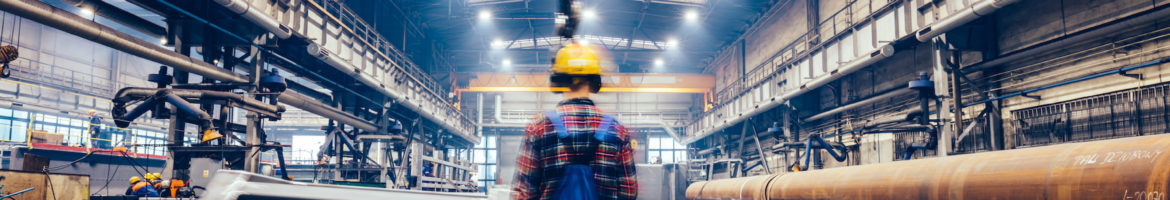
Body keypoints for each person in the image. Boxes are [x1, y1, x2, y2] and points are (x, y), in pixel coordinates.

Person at [512, 41, 637, 200]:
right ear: (594, 81)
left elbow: (524, 194)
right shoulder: (617, 130)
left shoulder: (539, 127)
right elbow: (629, 192)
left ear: (558, 79)